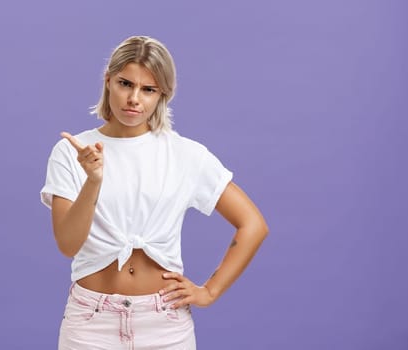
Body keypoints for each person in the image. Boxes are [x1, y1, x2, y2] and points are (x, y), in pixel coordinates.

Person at [40, 35, 269, 350]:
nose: (134, 98)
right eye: (125, 83)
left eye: (148, 89)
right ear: (108, 81)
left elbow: (253, 224)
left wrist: (209, 291)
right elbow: (67, 244)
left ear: (163, 94)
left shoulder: (184, 154)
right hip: (91, 325)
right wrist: (93, 179)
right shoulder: (72, 153)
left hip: (164, 326)